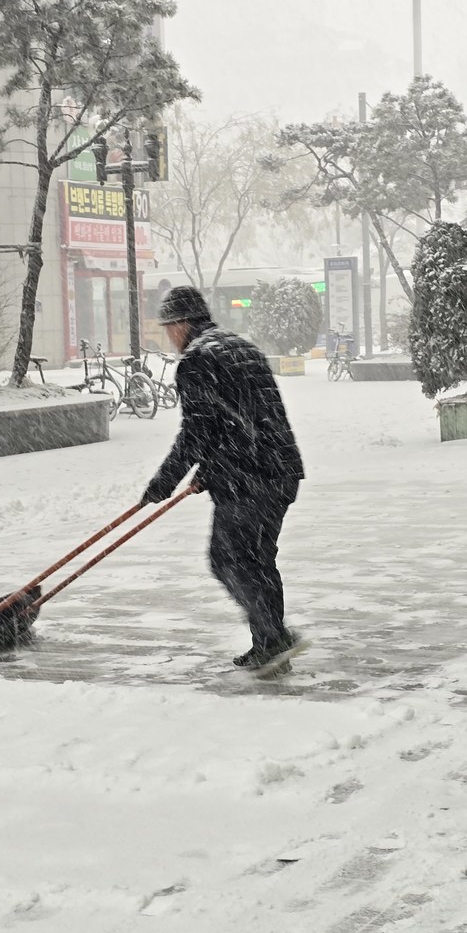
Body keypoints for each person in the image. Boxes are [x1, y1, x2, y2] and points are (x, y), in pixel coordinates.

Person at [143, 286, 307, 676]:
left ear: (182, 324)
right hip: (279, 472)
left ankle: (274, 636)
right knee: (258, 561)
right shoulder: (240, 347)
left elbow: (198, 433)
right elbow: (237, 421)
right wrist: (209, 471)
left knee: (227, 560)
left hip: (248, 480)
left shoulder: (197, 360)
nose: (169, 337)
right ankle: (269, 645)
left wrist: (163, 482)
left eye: (169, 328)